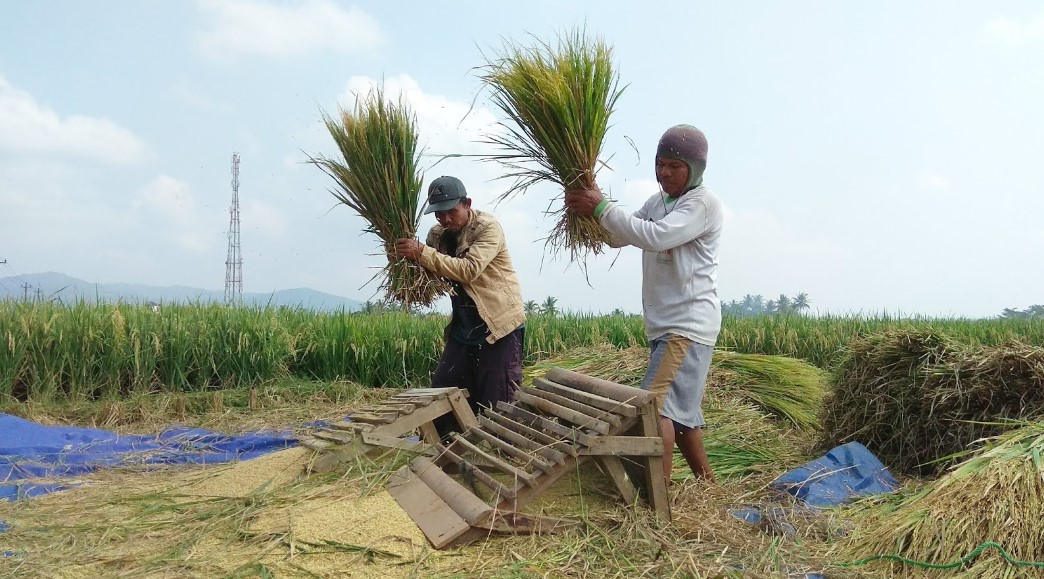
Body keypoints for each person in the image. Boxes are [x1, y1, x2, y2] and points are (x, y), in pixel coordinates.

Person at [564, 124, 722, 483]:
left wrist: (602, 206)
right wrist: (588, 216)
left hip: (686, 324)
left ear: (695, 169)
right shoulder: (657, 202)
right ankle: (708, 487)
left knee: (653, 412)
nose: (664, 172)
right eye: (660, 163)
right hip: (666, 325)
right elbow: (622, 236)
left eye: (674, 166)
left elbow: (655, 236)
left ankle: (656, 504)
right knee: (679, 415)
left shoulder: (701, 204)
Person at [392, 175, 526, 429]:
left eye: (451, 212)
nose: (445, 220)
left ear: (467, 203)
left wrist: (421, 252)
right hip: (464, 330)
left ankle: (505, 456)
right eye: (439, 214)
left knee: (499, 401)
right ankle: (449, 450)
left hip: (498, 326)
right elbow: (431, 270)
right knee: (444, 392)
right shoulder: (437, 234)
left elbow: (468, 270)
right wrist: (403, 259)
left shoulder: (488, 228)